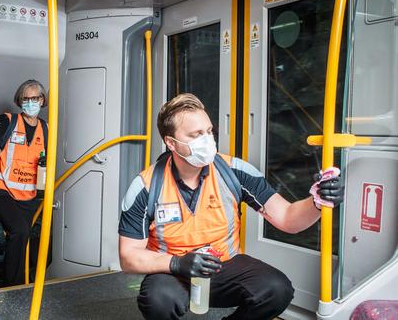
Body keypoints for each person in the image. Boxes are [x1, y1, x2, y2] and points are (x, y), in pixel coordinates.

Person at [118, 93, 344, 320]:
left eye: (208, 131)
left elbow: (287, 218)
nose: (206, 140)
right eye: (196, 134)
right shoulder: (146, 186)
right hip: (174, 271)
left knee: (277, 289)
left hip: (224, 267)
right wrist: (177, 263)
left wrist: (317, 201)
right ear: (171, 143)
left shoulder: (235, 171)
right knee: (158, 300)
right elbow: (129, 256)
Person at [0, 79, 48, 286]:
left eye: (34, 98)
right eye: (26, 99)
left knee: (23, 236)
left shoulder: (45, 129)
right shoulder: (8, 120)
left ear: (42, 100)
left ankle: (17, 283)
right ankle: (13, 286)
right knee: (19, 231)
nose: (30, 103)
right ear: (20, 101)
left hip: (27, 193)